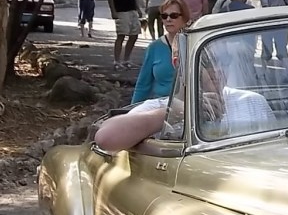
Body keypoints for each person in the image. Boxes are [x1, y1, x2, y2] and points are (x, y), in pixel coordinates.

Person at [95, 56, 275, 153]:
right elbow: (105, 138)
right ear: (182, 64)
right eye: (206, 60)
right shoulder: (160, 107)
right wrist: (173, 113)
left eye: (224, 59)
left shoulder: (252, 101)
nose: (218, 70)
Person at [131, 0, 189, 103]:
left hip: (190, 106)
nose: (168, 19)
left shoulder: (195, 45)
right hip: (160, 106)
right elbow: (143, 86)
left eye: (174, 15)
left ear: (184, 18)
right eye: (164, 16)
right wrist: (131, 111)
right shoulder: (154, 48)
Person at [107, 0, 141, 70]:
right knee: (121, 35)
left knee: (134, 35)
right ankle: (117, 61)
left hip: (132, 10)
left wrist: (138, 8)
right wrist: (113, 11)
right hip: (121, 11)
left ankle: (127, 59)